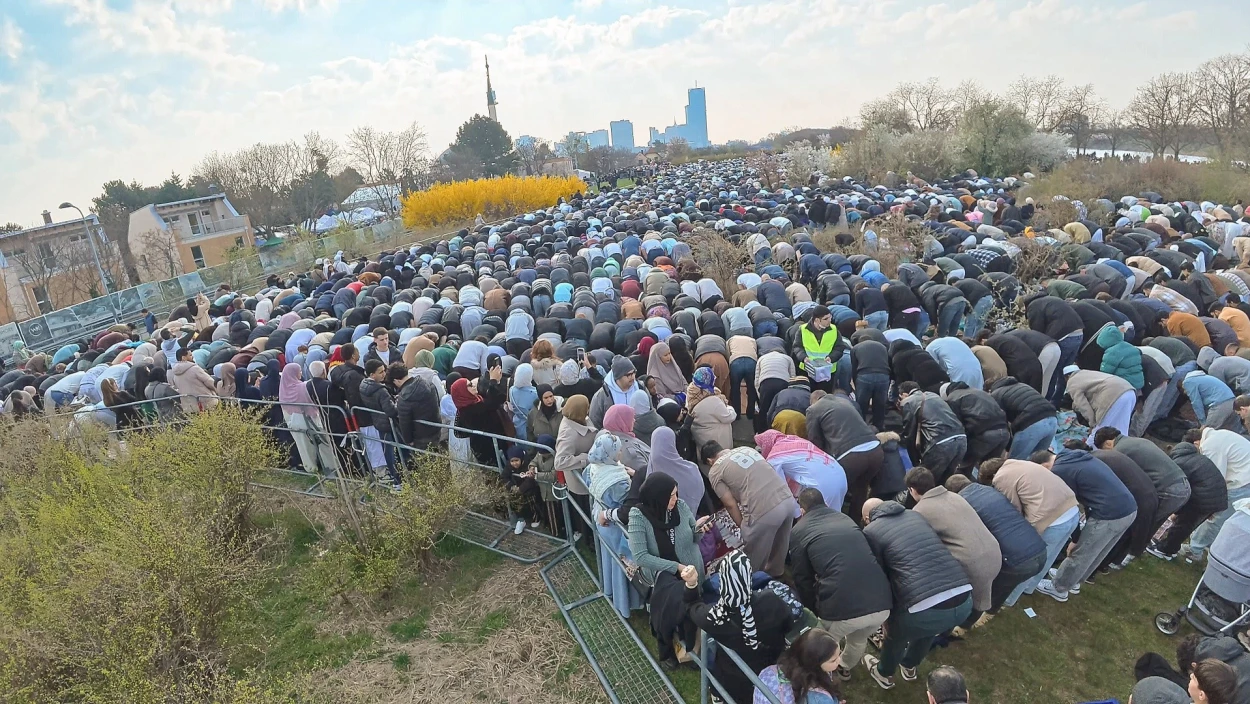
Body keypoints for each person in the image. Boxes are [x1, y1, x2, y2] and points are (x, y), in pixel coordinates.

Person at [860, 497, 972, 690]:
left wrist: (888, 618)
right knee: (928, 629)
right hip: (963, 600)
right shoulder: (915, 515)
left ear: (867, 518)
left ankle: (884, 673)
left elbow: (881, 576)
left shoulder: (871, 531)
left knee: (897, 636)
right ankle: (910, 665)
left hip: (923, 608)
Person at [788, 488, 891, 681]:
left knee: (823, 642)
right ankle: (844, 668)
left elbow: (802, 577)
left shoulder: (799, 531)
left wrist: (812, 611)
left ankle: (819, 675)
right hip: (882, 603)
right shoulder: (844, 518)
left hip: (844, 610)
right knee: (858, 638)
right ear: (825, 503)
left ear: (802, 511)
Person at [684, 550, 795, 703]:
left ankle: (718, 696)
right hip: (770, 668)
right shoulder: (771, 601)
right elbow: (788, 624)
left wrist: (691, 584)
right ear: (749, 577)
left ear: (723, 581)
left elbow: (693, 608)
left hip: (733, 677)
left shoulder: (715, 616)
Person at [1031, 448, 1138, 602]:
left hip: (1108, 515)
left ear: (1044, 466)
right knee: (1096, 552)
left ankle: (1059, 588)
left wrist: (1075, 538)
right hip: (1128, 509)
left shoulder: (1060, 470)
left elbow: (1067, 505)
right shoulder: (1074, 456)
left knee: (1082, 553)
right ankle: (1073, 581)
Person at [627, 473, 705, 670]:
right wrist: (675, 567)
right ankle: (669, 649)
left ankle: (691, 650)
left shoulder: (680, 506)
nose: (675, 499)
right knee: (667, 615)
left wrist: (701, 529)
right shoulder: (638, 516)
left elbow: (693, 537)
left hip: (691, 572)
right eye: (670, 495)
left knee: (691, 612)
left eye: (676, 493)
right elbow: (641, 556)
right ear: (657, 497)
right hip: (665, 577)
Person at [977, 457, 1080, 605]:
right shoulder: (1020, 463)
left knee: (1030, 559)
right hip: (1071, 511)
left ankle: (1009, 599)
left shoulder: (1001, 478)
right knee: (1047, 558)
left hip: (1051, 522)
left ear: (991, 477)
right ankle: (1029, 589)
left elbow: (1014, 510)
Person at [906, 468, 1001, 624]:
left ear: (912, 490)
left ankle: (951, 626)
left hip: (970, 564)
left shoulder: (920, 511)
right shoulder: (954, 496)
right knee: (982, 595)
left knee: (968, 601)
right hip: (994, 553)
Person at [707, 441, 797, 577]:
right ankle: (777, 576)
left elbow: (730, 504)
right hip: (787, 499)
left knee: (753, 558)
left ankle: (753, 584)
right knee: (780, 546)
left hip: (765, 510)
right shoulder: (745, 448)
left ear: (709, 461)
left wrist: (743, 527)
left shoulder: (715, 470)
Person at [1149, 430, 1229, 560]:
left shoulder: (1180, 462)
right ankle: (1169, 546)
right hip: (1215, 497)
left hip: (1204, 499)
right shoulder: (1195, 457)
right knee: (1185, 524)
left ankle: (1166, 551)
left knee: (1183, 525)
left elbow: (1177, 487)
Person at [805, 389, 882, 523]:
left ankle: (832, 524)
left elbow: (815, 442)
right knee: (861, 490)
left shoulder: (813, 409)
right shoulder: (845, 402)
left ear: (813, 401)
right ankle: (855, 523)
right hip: (875, 450)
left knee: (833, 491)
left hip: (851, 456)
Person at [756, 429, 847, 516]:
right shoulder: (793, 440)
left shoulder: (774, 458)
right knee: (834, 517)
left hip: (825, 484)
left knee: (823, 522)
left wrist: (797, 514)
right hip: (839, 474)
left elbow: (782, 492)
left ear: (766, 445)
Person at [898, 381, 967, 484]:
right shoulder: (934, 395)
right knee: (946, 480)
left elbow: (909, 435)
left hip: (940, 442)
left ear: (904, 394)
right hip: (961, 439)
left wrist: (915, 462)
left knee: (924, 481)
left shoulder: (908, 401)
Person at [755, 628, 843, 704]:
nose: (839, 660)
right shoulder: (820, 699)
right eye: (833, 660)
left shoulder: (767, 673)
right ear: (814, 663)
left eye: (839, 654)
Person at [989, 376, 1058, 459]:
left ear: (989, 390)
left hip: (1032, 424)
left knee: (1015, 463)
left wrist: (1009, 447)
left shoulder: (995, 395)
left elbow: (1002, 425)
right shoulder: (1022, 385)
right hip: (1052, 418)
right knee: (1038, 461)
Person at [1065, 365, 1136, 443]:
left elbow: (1083, 406)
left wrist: (1092, 424)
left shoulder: (1072, 381)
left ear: (1067, 377)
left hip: (1113, 395)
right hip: (1129, 391)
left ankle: (1089, 452)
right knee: (1121, 428)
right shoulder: (1087, 373)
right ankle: (1120, 450)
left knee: (1099, 432)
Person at [687, 366, 737, 454]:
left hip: (701, 437)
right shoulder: (713, 401)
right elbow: (729, 417)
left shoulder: (691, 392)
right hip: (716, 440)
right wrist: (729, 407)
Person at [797, 305, 838, 393]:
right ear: (816, 320)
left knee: (825, 397)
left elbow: (839, 347)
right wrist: (803, 357)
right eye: (826, 319)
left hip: (827, 372)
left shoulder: (834, 329)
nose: (829, 320)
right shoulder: (803, 329)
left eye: (830, 317)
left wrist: (832, 357)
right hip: (808, 371)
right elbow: (797, 347)